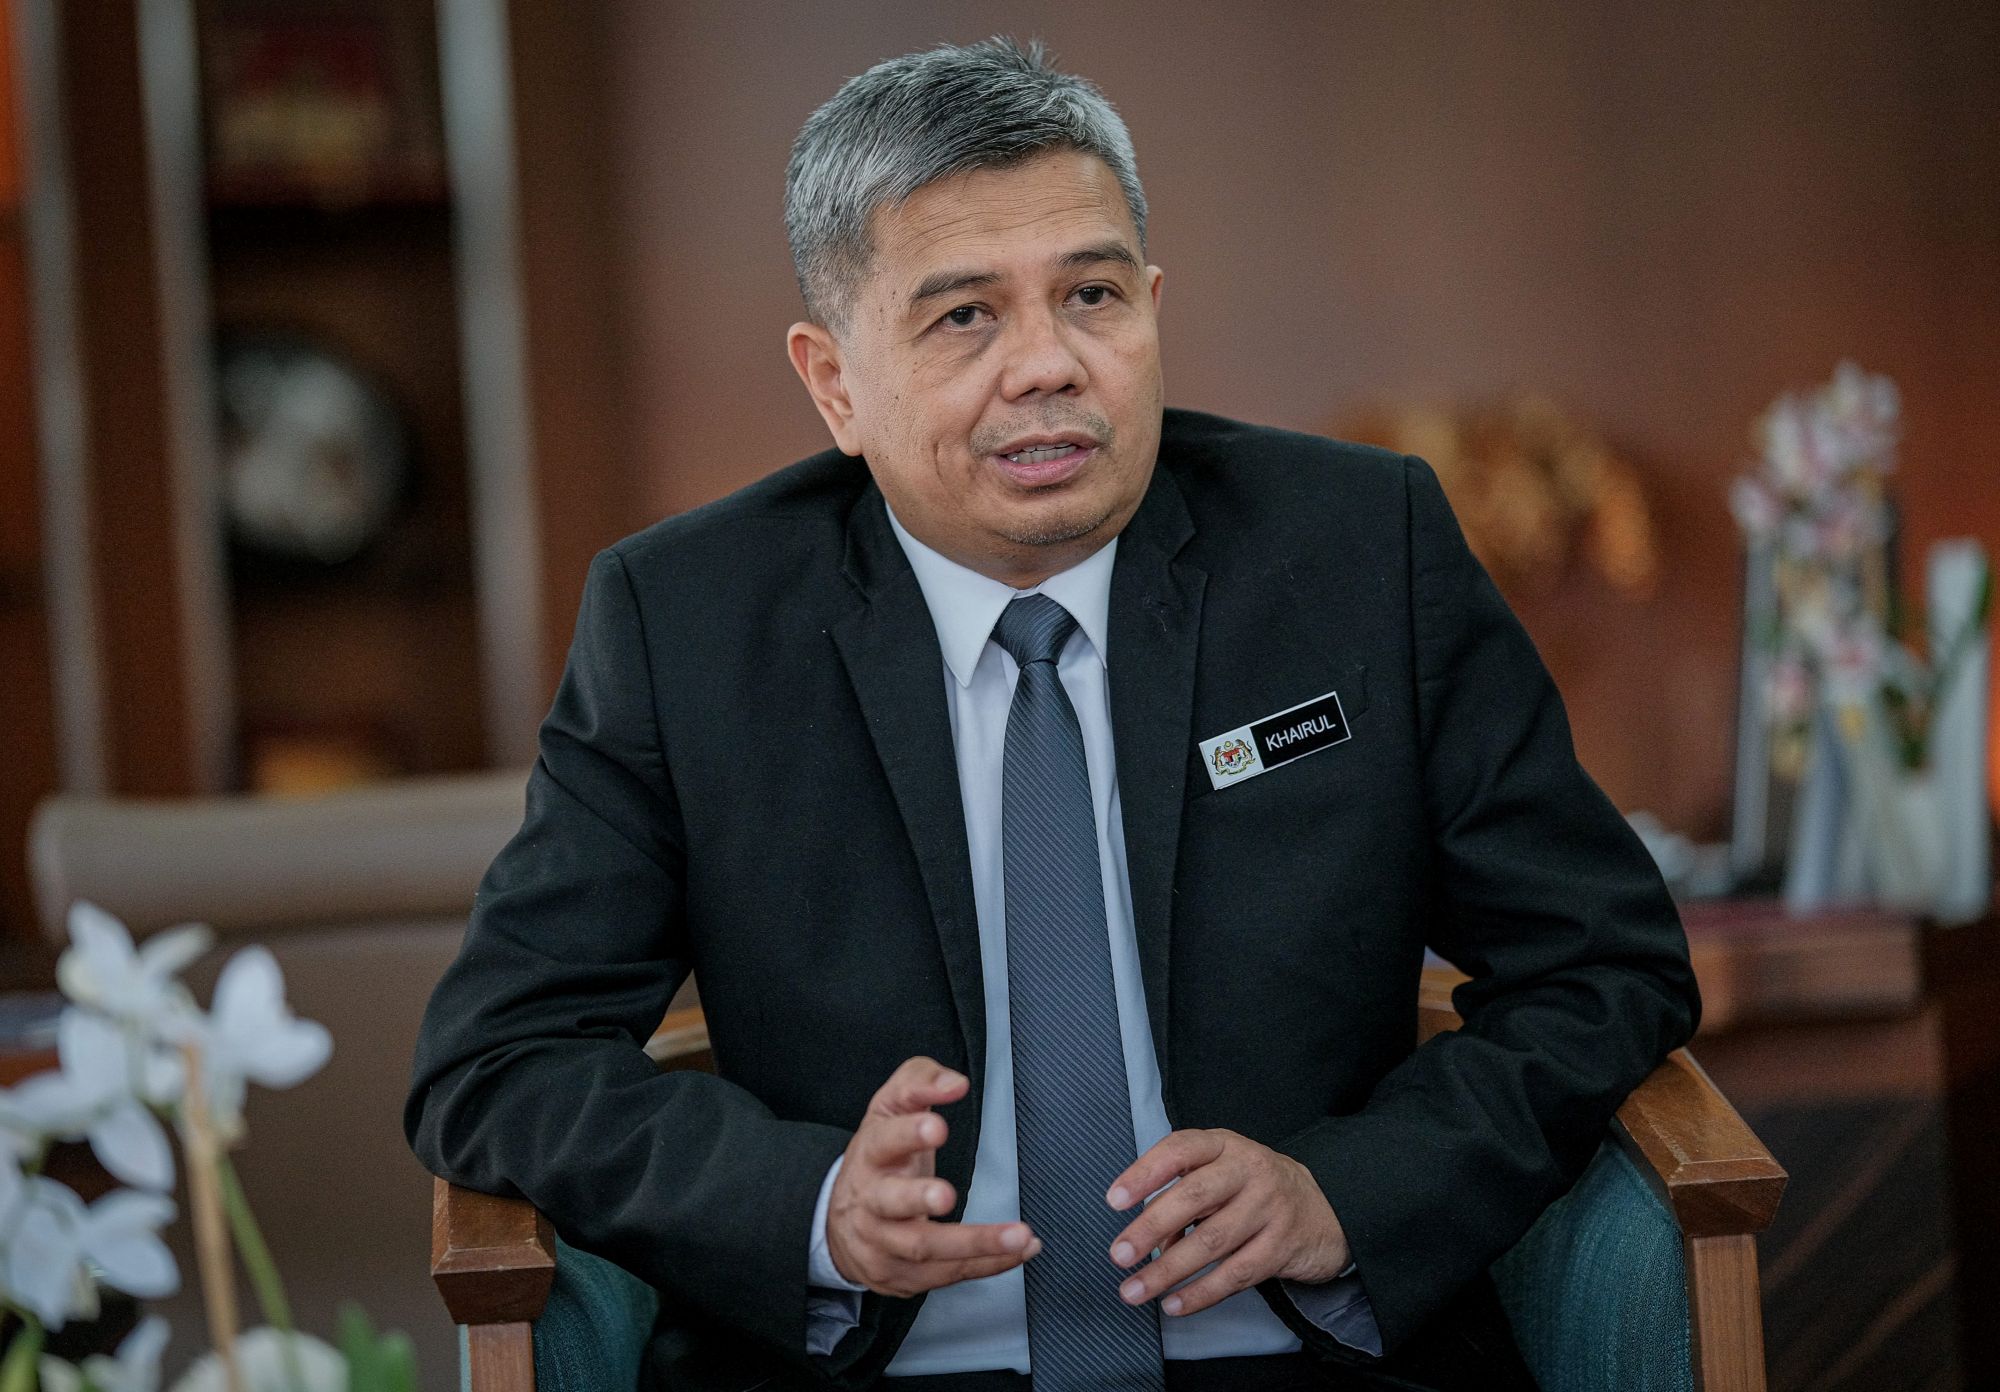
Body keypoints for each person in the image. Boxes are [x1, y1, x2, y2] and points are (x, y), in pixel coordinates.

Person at [406, 36, 1699, 1392]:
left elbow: (1604, 962)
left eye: (1091, 295)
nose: (1048, 365)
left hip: (1305, 1356)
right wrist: (812, 1207)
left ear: (1152, 307)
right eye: (964, 316)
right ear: (834, 382)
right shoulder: (687, 626)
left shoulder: (1359, 551)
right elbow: (496, 1060)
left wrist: (1349, 1190)